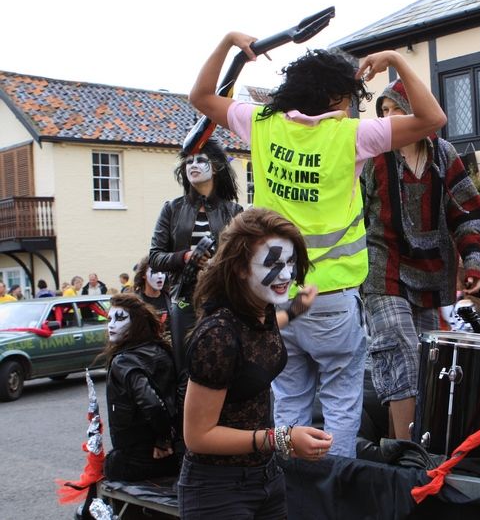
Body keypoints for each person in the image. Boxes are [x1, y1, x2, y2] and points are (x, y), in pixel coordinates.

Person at [189, 32, 446, 457]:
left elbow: (200, 96)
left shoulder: (261, 124)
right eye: (348, 98)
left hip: (273, 298)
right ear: (331, 98)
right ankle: (333, 485)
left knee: (289, 399)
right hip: (331, 298)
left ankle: (291, 486)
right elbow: (431, 118)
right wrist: (397, 61)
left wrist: (229, 43)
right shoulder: (353, 136)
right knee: (342, 403)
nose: (351, 106)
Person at [361, 79, 480, 439]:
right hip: (381, 268)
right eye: (383, 112)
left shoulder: (443, 154)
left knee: (424, 365)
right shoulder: (372, 155)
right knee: (399, 350)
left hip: (430, 273)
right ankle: (410, 457)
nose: (388, 119)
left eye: (396, 110)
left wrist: (475, 263)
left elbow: (469, 212)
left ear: (416, 113)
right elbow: (350, 213)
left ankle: (398, 450)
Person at [179, 208, 328, 519]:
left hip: (266, 479)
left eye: (289, 263)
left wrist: (299, 307)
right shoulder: (218, 336)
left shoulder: (261, 311)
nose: (286, 275)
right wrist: (282, 439)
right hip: (218, 492)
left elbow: (266, 332)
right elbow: (197, 436)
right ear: (241, 268)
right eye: (272, 264)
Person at [148, 137, 243, 371]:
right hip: (184, 299)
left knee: (224, 362)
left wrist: (216, 263)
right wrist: (185, 257)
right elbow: (155, 257)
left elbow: (243, 259)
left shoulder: (233, 211)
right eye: (189, 161)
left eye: (201, 160)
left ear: (216, 167)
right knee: (186, 366)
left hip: (223, 297)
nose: (193, 165)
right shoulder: (172, 208)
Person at [100, 293, 181, 482]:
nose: (111, 325)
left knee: (106, 473)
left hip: (138, 455)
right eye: (110, 319)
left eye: (119, 319)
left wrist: (162, 439)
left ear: (135, 323)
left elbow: (152, 403)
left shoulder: (124, 361)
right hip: (170, 453)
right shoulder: (161, 350)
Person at [133, 256, 171, 339]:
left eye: (163, 272)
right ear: (144, 275)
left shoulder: (171, 298)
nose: (160, 276)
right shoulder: (135, 301)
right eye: (155, 272)